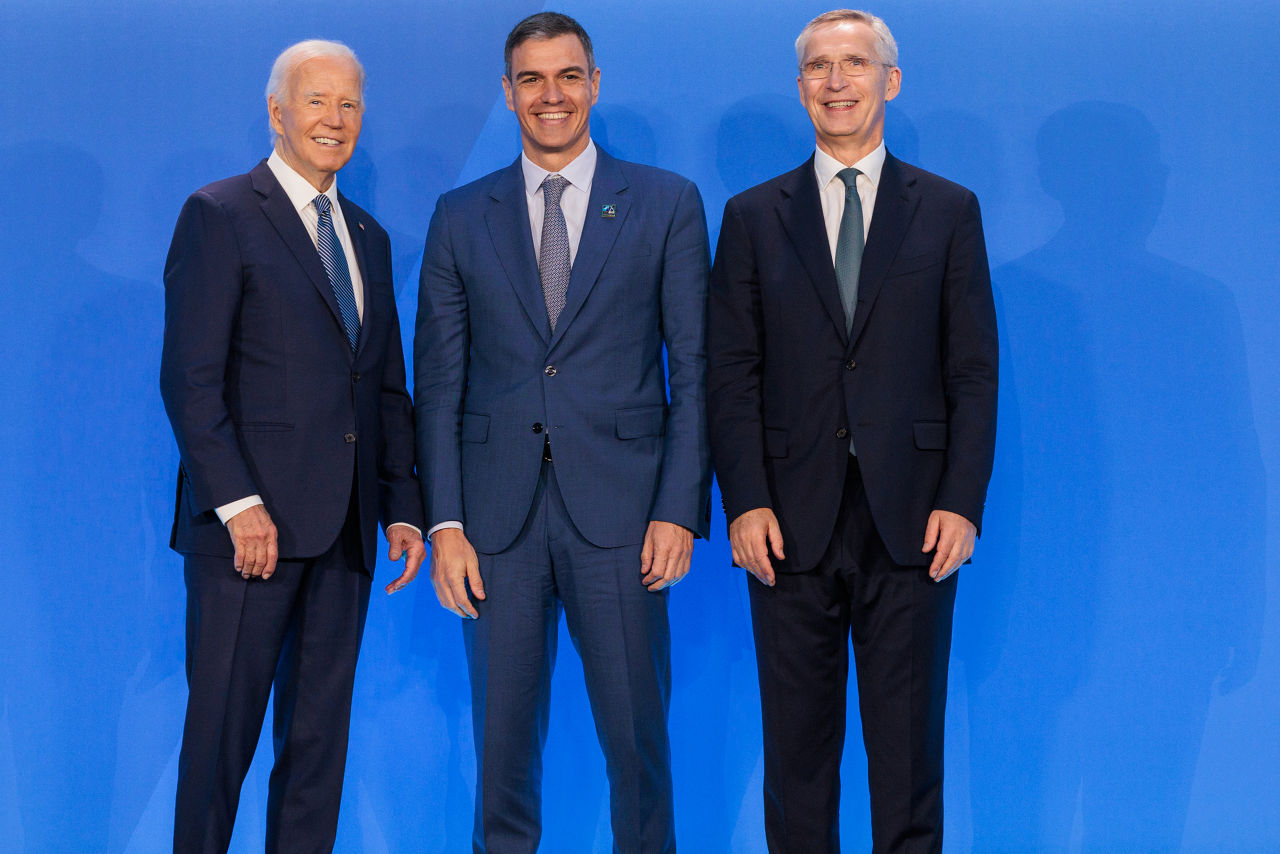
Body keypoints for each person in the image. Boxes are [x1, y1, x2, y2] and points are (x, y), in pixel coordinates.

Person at [414, 12, 711, 853]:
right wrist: (445, 525)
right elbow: (437, 384)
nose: (553, 96)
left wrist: (678, 511)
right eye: (533, 80)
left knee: (638, 753)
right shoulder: (460, 214)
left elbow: (694, 372)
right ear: (507, 93)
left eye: (569, 76)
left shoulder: (666, 204)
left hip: (624, 522)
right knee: (501, 758)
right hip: (494, 526)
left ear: (596, 84)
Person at [706, 9, 998, 853]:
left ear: (889, 82)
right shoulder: (752, 216)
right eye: (819, 68)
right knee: (797, 765)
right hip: (786, 525)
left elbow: (973, 371)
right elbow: (731, 374)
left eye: (855, 64)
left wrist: (962, 502)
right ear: (800, 87)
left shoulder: (948, 210)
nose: (837, 82)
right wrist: (746, 503)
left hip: (914, 523)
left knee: (908, 764)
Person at [159, 39, 426, 853]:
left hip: (344, 532)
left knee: (317, 752)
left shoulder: (368, 237)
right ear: (277, 112)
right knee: (219, 748)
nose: (334, 119)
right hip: (248, 537)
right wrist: (240, 506)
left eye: (348, 105)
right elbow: (190, 380)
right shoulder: (221, 213)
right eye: (316, 102)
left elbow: (382, 388)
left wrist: (403, 509)